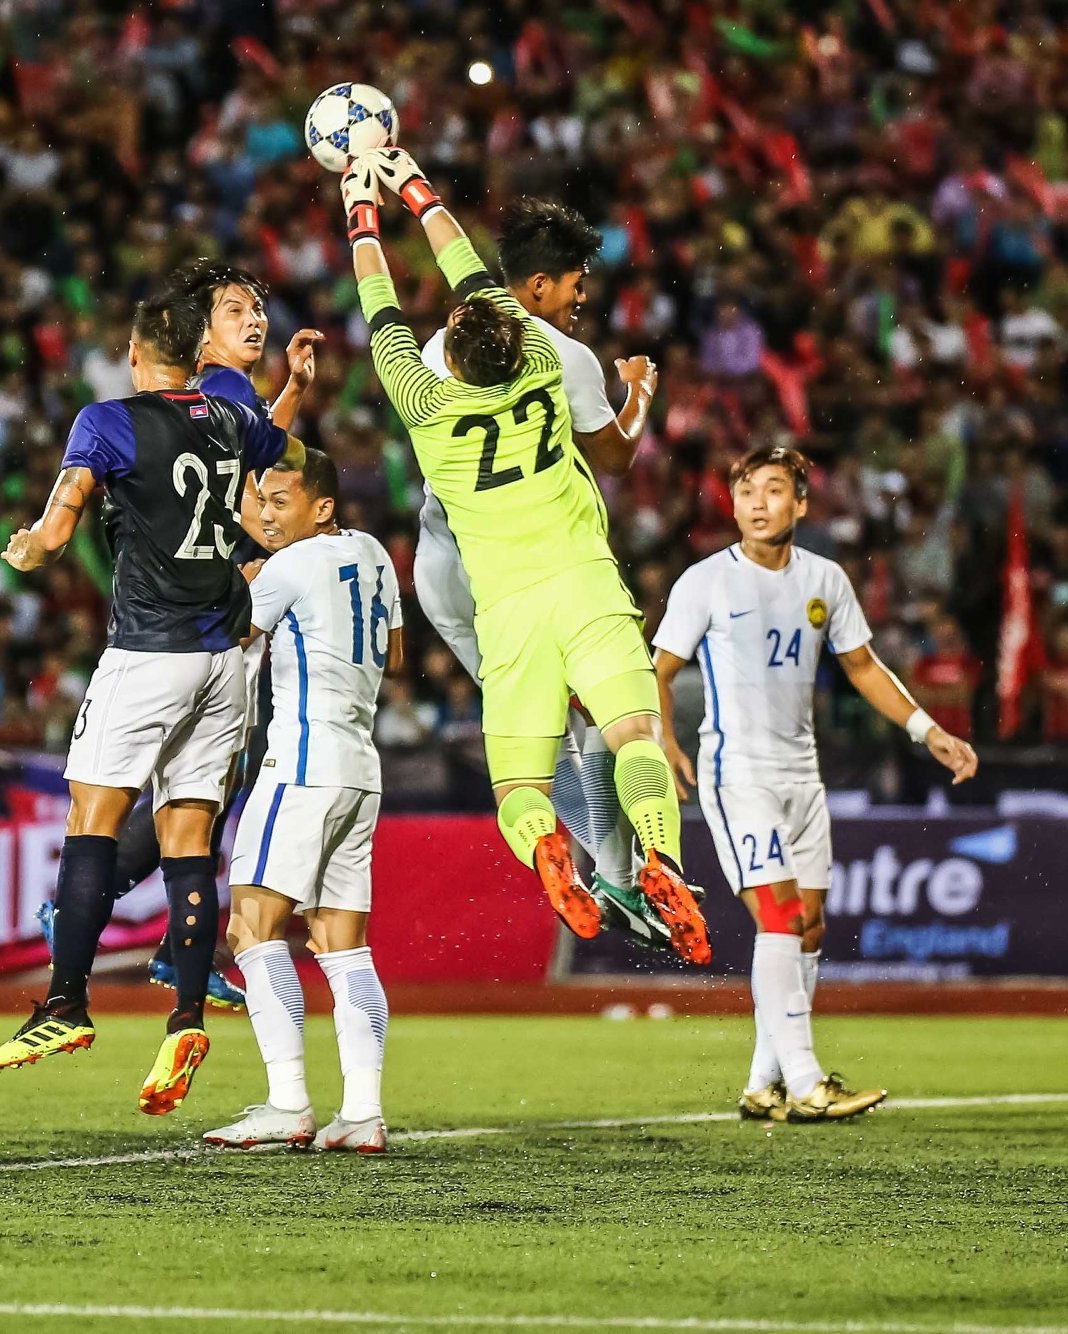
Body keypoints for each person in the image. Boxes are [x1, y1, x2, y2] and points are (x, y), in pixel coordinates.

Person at [343, 148, 707, 964]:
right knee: (630, 734)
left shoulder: (421, 389)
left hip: (481, 589)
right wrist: (417, 188)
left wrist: (358, 209)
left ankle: (567, 852)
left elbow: (381, 306)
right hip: (578, 577)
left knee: (523, 779)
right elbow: (471, 273)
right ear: (521, 312)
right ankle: (651, 859)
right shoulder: (546, 357)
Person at [0, 288, 298, 1120]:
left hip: (147, 654)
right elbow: (277, 441)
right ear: (198, 354)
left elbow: (59, 521)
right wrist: (293, 381)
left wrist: (30, 548)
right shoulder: (229, 412)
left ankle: (63, 1006)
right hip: (224, 659)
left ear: (133, 353)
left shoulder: (106, 421)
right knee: (189, 834)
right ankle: (186, 1014)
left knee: (93, 819)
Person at [653, 444, 976, 1123]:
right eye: (746, 492)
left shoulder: (825, 580)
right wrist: (664, 741)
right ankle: (805, 1083)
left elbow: (863, 667)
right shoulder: (706, 580)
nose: (758, 504)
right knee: (780, 916)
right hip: (738, 771)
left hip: (804, 773)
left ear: (801, 503)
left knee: (810, 925)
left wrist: (927, 729)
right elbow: (657, 669)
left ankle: (762, 1084)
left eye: (773, 491)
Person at [413, 197, 670, 947]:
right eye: (573, 281)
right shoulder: (563, 359)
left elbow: (448, 262)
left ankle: (595, 867)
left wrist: (401, 193)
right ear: (532, 290)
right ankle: (620, 876)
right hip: (524, 567)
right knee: (604, 717)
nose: (582, 295)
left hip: (448, 568)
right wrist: (643, 389)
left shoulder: (438, 350)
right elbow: (616, 457)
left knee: (542, 740)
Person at [75, 260, 324, 1014]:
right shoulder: (219, 393)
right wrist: (281, 550)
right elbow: (245, 494)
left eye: (259, 309)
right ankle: (106, 913)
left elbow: (252, 458)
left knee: (204, 788)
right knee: (202, 793)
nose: (255, 322)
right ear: (199, 339)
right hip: (212, 623)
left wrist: (291, 393)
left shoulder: (224, 396)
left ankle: (158, 938)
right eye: (234, 310)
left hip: (188, 614)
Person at [203, 449, 402, 1154]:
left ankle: (288, 1101)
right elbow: (396, 653)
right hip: (360, 769)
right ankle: (363, 1114)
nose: (265, 515)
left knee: (252, 928)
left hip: (302, 765)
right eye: (261, 502)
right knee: (342, 948)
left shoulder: (289, 565)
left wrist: (245, 585)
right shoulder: (374, 552)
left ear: (320, 507)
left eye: (280, 503)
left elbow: (229, 633)